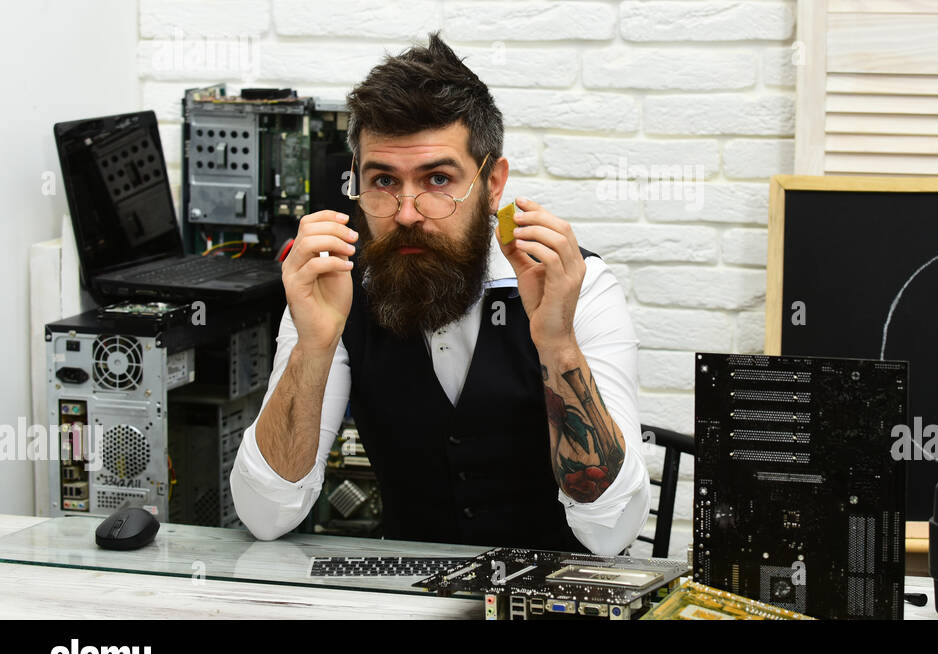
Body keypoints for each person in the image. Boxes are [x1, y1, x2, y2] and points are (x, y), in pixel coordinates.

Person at [230, 33, 650, 555]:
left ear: (492, 184)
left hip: (555, 596)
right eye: (383, 180)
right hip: (408, 597)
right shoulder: (335, 291)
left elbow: (611, 532)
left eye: (437, 179)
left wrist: (558, 344)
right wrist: (312, 347)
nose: (407, 212)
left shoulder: (578, 288)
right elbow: (267, 515)